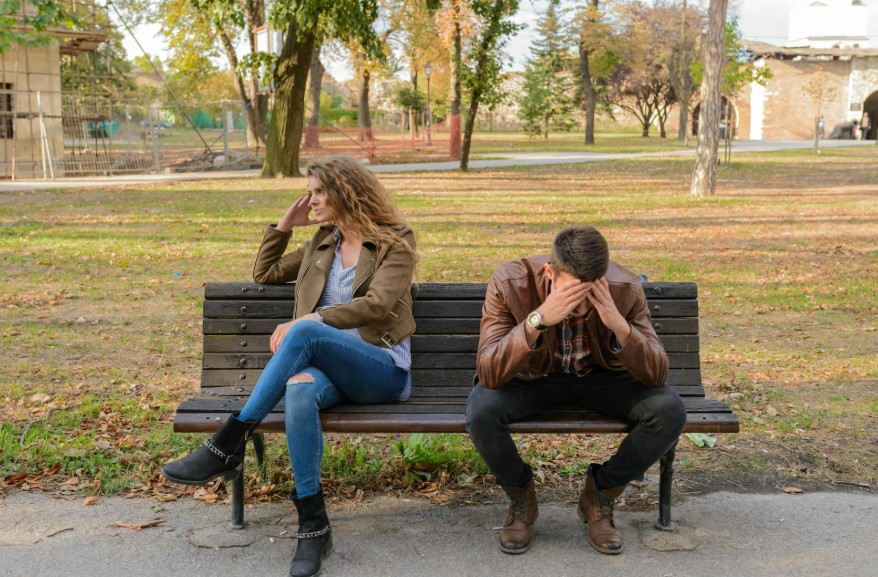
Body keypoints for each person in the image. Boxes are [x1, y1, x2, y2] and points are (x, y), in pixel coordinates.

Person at [161, 155, 417, 577]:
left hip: (380, 368)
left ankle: (229, 440)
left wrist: (311, 319)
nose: (310, 200)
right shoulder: (322, 243)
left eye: (318, 192)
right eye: (310, 193)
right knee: (299, 389)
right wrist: (283, 225)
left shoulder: (395, 240)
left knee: (305, 331)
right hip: (327, 368)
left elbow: (378, 305)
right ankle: (313, 527)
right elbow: (264, 273)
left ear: (344, 191)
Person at [465, 225, 686, 556]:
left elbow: (656, 374)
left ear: (603, 279)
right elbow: (489, 373)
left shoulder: (624, 287)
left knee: (669, 411)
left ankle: (601, 493)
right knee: (481, 409)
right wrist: (537, 321)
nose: (579, 307)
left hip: (599, 377)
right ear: (551, 272)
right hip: (532, 379)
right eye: (570, 294)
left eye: (589, 295)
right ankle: (521, 495)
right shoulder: (511, 282)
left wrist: (617, 322)